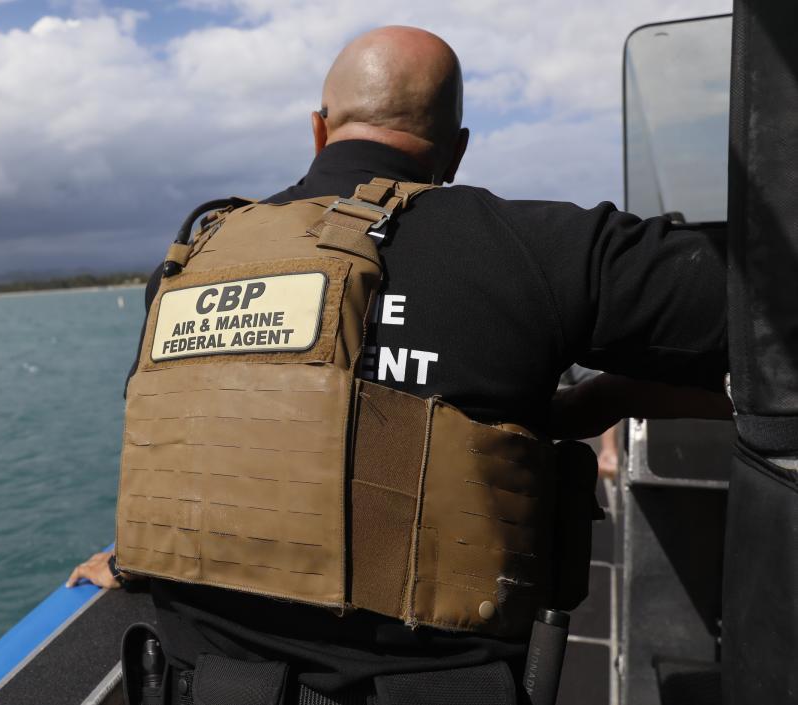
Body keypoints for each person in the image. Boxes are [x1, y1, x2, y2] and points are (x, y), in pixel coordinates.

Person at [68, 25, 730, 702]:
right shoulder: (539, 248)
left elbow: (186, 448)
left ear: (319, 131)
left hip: (205, 689)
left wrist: (128, 560)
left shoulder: (189, 264)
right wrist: (607, 399)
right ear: (458, 149)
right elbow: (766, 336)